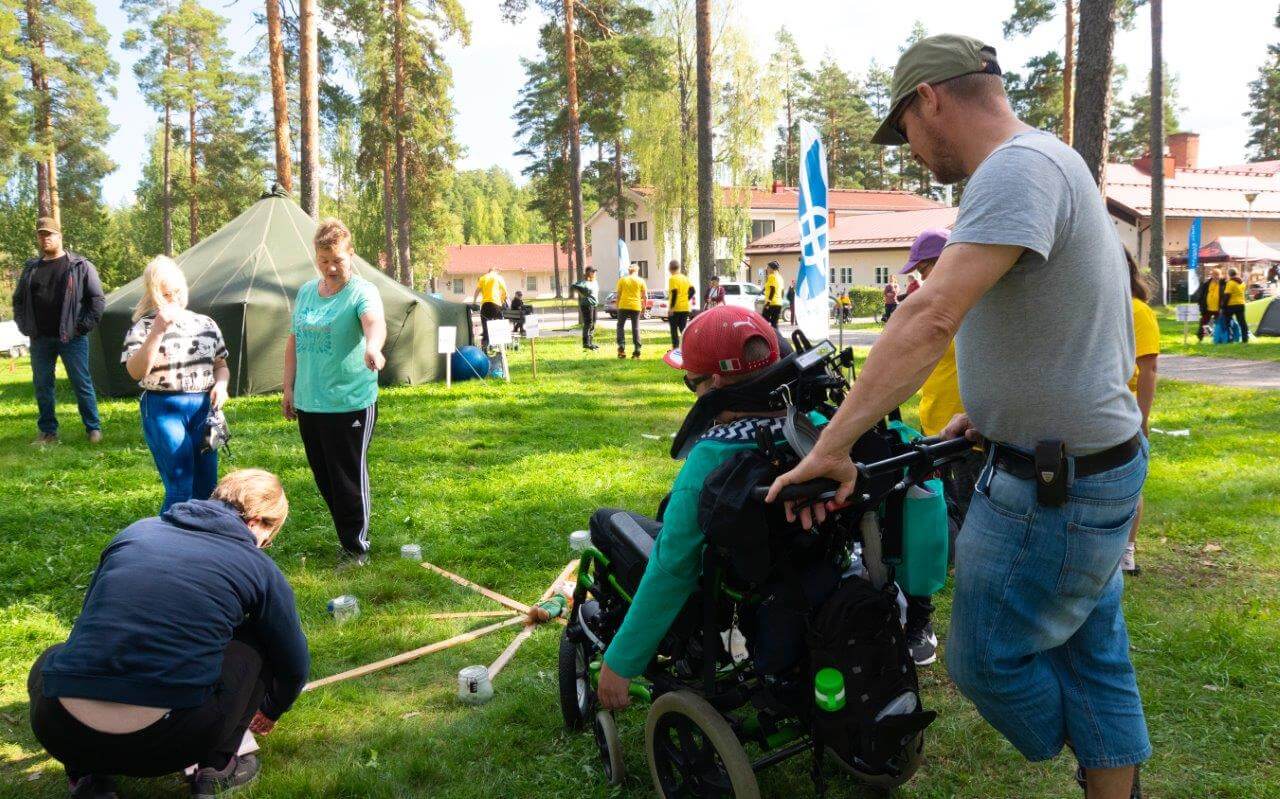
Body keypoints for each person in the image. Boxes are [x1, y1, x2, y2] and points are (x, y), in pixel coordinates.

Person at [767, 35, 1149, 798]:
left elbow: (932, 316)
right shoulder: (1050, 158)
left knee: (985, 661)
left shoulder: (1013, 169)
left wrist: (833, 447)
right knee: (1091, 647)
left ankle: (1080, 748)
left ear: (930, 99)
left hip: (1056, 488)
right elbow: (1065, 323)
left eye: (902, 128)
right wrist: (987, 410)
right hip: (1084, 465)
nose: (909, 148)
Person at [598, 306, 830, 709]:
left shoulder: (710, 459)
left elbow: (671, 570)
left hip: (719, 588)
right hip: (801, 571)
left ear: (714, 383)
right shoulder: (819, 431)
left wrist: (620, 661)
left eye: (691, 382)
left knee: (606, 521)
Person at [27, 469, 309, 799]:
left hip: (60, 729)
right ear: (257, 522)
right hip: (170, 742)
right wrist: (272, 708)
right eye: (269, 536)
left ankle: (86, 774)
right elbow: (293, 662)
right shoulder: (257, 566)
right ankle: (217, 768)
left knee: (55, 655)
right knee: (259, 642)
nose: (264, 545)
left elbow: (85, 624)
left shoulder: (134, 533)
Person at [898, 227, 987, 668]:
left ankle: (976, 581)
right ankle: (952, 561)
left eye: (927, 267)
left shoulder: (968, 306)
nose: (922, 277)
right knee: (941, 507)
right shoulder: (931, 303)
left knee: (972, 508)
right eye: (919, 270)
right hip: (936, 423)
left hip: (968, 430)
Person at [283, 219, 386, 565]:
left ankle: (356, 548)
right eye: (323, 260)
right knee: (325, 477)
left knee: (347, 477)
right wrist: (288, 388)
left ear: (350, 254)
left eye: (337, 260)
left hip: (349, 402)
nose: (330, 267)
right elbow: (294, 340)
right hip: (311, 402)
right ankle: (347, 536)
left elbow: (374, 323)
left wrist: (373, 347)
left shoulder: (362, 291)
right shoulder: (306, 293)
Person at [123, 257, 230, 513]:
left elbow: (220, 365)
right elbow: (135, 371)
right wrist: (158, 331)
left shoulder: (206, 324)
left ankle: (203, 542)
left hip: (203, 409)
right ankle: (168, 544)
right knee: (180, 487)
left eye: (177, 292)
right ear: (153, 294)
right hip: (163, 407)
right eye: (165, 294)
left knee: (207, 486)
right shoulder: (143, 327)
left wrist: (222, 386)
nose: (173, 299)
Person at [11, 216, 105, 445]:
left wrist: (81, 328)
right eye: (41, 234)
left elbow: (97, 300)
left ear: (59, 236)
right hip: (40, 338)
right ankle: (48, 432)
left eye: (49, 234)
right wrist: (25, 326)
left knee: (81, 383)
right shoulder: (31, 268)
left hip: (72, 338)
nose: (45, 239)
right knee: (42, 385)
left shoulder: (80, 265)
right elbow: (19, 301)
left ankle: (93, 429)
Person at [1123, 250, 1159, 576]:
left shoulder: (1138, 310)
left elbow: (1148, 369)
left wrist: (1142, 417)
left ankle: (1127, 552)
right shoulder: (1103, 306)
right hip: (1101, 406)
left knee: (1132, 482)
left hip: (1127, 405)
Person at [615, 264, 646, 359]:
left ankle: (621, 348)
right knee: (635, 328)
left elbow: (618, 295)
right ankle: (637, 351)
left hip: (623, 305)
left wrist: (617, 306)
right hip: (635, 306)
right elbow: (645, 296)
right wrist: (644, 307)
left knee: (620, 326)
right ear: (637, 271)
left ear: (629, 271)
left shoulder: (622, 280)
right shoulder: (641, 281)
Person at [473, 266, 508, 350]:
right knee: (498, 325)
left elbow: (477, 291)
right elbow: (505, 291)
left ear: (488, 271)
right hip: (496, 304)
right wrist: (503, 300)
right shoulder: (498, 277)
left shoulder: (483, 278)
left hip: (485, 305)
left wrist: (474, 301)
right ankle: (499, 347)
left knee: (485, 327)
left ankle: (485, 346)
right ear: (495, 271)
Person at [666, 260, 694, 349]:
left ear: (670, 269)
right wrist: (686, 299)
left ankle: (675, 348)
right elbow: (692, 291)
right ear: (678, 268)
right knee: (683, 329)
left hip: (676, 308)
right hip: (685, 307)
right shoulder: (685, 278)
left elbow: (674, 293)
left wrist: (671, 308)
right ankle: (687, 347)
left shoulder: (672, 278)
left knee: (674, 330)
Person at [1190, 267, 1221, 342]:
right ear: (1212, 275)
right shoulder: (1206, 284)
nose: (1215, 276)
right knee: (1203, 323)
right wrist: (1200, 304)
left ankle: (1219, 338)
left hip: (1219, 308)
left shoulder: (1223, 284)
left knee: (1219, 324)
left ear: (1220, 275)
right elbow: (1201, 295)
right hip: (1207, 308)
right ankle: (1200, 338)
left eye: (1217, 275)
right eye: (1214, 275)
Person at [572, 266, 600, 350]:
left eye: (595, 272)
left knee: (593, 323)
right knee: (588, 323)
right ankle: (586, 343)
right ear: (588, 273)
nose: (594, 273)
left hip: (594, 304)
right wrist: (582, 294)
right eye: (592, 272)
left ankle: (590, 342)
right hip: (587, 304)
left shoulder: (595, 282)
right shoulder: (584, 282)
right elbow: (574, 286)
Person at [1222, 268, 1249, 343]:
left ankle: (1229, 339)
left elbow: (1227, 295)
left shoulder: (1230, 283)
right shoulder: (1242, 282)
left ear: (1229, 274)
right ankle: (1245, 339)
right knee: (1242, 322)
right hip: (1241, 304)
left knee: (1227, 322)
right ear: (1236, 274)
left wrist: (1223, 306)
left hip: (1231, 305)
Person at [762, 261, 784, 327]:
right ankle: (777, 337)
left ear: (772, 268)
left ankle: (765, 336)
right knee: (774, 324)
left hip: (771, 303)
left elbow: (773, 290)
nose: (767, 269)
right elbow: (782, 292)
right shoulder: (780, 278)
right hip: (779, 303)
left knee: (763, 323)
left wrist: (768, 303)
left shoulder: (772, 276)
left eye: (768, 267)